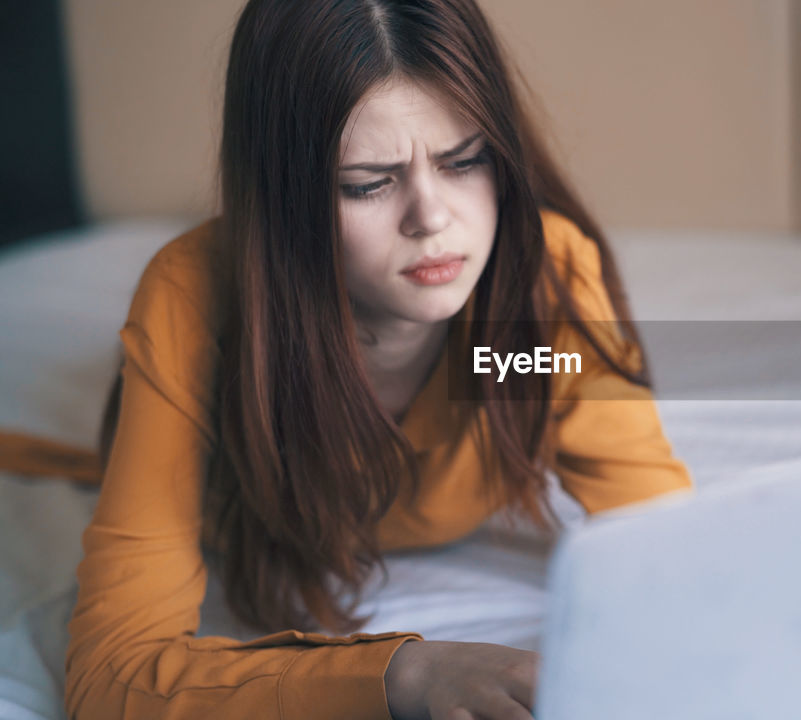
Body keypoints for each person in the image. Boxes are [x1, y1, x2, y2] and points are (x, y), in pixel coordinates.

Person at [0, 0, 693, 718]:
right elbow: (111, 677)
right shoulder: (190, 302)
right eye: (368, 183)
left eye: (465, 161)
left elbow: (670, 545)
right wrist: (405, 675)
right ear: (282, 198)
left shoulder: (547, 282)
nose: (432, 218)